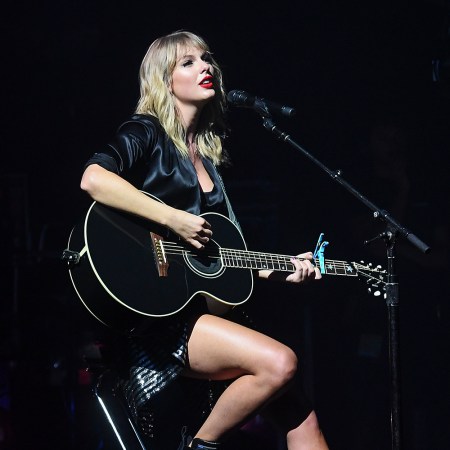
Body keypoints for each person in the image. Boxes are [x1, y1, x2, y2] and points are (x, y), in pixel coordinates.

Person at [80, 30, 329, 450]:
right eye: (188, 62)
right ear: (164, 79)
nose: (206, 67)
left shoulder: (208, 156)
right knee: (280, 362)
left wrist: (279, 270)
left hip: (201, 309)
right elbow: (93, 177)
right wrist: (173, 219)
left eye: (207, 59)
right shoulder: (147, 131)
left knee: (302, 420)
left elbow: (219, 260)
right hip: (159, 319)